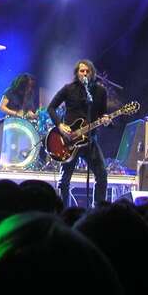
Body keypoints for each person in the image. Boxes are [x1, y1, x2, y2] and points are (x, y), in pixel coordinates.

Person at [47, 59, 110, 206]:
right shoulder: (68, 89)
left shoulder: (100, 91)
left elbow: (103, 114)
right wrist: (60, 125)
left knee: (102, 176)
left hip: (90, 139)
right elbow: (50, 108)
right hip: (69, 140)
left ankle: (98, 210)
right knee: (64, 181)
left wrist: (106, 120)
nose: (85, 74)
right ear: (77, 73)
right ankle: (64, 211)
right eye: (82, 71)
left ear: (93, 73)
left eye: (88, 71)